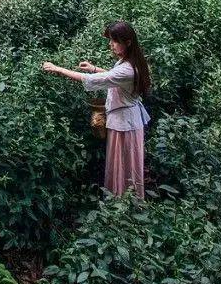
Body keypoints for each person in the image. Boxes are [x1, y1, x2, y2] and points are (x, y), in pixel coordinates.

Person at [41, 20, 152, 199]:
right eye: (110, 40)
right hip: (125, 120)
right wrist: (94, 68)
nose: (111, 45)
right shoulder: (131, 61)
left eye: (114, 41)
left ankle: (124, 201)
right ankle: (121, 200)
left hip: (125, 123)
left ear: (128, 42)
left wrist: (58, 69)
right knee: (123, 163)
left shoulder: (128, 68)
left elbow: (96, 80)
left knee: (124, 164)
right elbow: (113, 77)